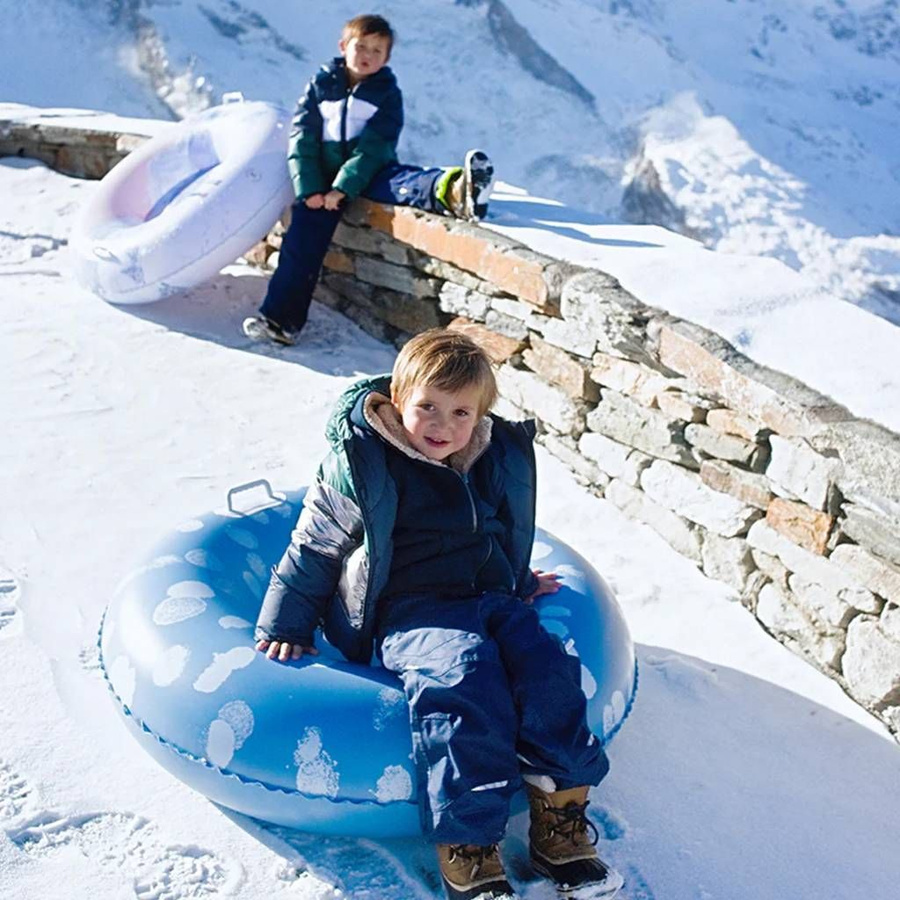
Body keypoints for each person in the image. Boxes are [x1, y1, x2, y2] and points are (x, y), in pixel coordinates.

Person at [254, 328, 625, 900]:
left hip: (489, 598)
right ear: (397, 397)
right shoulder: (364, 459)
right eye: (427, 406)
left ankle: (560, 814)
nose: (441, 425)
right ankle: (469, 844)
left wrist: (520, 580)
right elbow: (316, 544)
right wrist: (287, 622)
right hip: (408, 609)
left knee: (547, 667)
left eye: (459, 412)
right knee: (465, 678)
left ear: (481, 416)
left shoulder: (485, 454)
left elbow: (498, 530)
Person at [242, 14, 494, 347]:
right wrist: (312, 189)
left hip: (371, 171)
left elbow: (376, 145)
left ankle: (458, 190)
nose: (368, 56)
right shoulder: (321, 85)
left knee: (404, 185)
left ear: (387, 58)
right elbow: (302, 137)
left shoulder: (387, 93)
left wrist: (343, 188)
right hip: (322, 180)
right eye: (361, 46)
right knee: (302, 239)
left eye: (377, 51)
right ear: (343, 46)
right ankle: (280, 321)